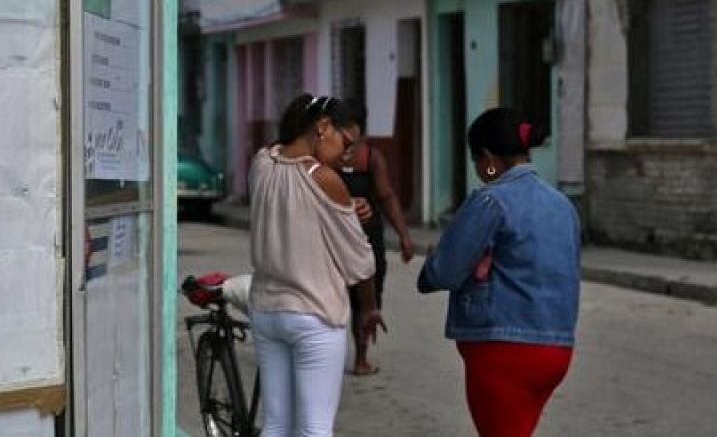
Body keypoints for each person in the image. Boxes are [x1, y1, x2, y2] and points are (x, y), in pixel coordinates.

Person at [417, 108, 581, 437]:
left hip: (503, 349)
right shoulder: (563, 205)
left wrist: (432, 267)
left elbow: (444, 272)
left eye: (477, 161)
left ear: (488, 158)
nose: (479, 170)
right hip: (556, 349)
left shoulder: (491, 201)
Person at [249, 93, 384, 437]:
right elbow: (360, 261)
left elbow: (297, 210)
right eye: (346, 142)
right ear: (323, 127)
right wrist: (368, 308)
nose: (348, 153)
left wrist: (345, 206)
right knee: (315, 428)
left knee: (277, 424)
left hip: (267, 312)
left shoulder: (263, 161)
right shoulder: (324, 177)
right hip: (313, 315)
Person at [337, 114, 416, 376]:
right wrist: (403, 235)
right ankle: (357, 359)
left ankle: (359, 356)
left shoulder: (370, 158)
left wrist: (404, 235)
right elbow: (387, 196)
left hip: (364, 239)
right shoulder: (360, 156)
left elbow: (386, 196)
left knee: (364, 302)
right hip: (341, 240)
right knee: (355, 302)